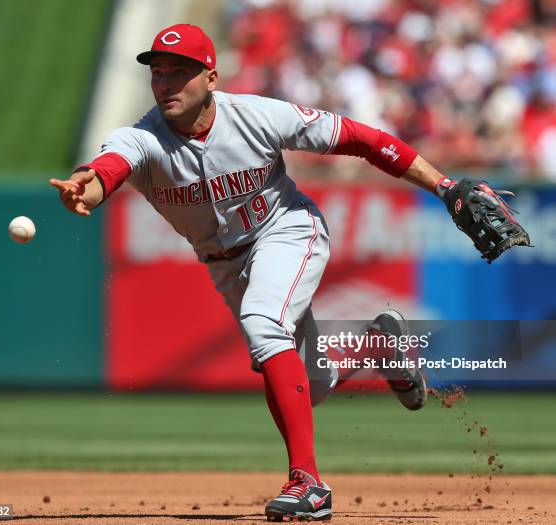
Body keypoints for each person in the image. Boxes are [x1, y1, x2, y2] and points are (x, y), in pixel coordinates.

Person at [51, 24, 450, 522]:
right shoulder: (142, 137)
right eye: (159, 73)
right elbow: (110, 166)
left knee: (264, 322)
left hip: (287, 231)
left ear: (212, 77)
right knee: (312, 384)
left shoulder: (258, 115)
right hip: (226, 266)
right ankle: (380, 348)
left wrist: (445, 186)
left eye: (181, 71)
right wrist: (86, 189)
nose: (167, 83)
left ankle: (309, 483)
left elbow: (360, 138)